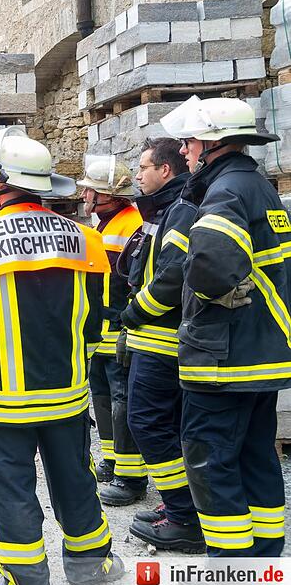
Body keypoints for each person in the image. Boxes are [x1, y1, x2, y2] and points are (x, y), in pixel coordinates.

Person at [0, 127, 124, 585]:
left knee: (10, 490)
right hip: (67, 398)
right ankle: (91, 567)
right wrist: (77, 374)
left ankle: (24, 579)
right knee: (76, 481)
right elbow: (96, 324)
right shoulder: (87, 241)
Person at [160, 96, 288, 557]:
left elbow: (212, 264)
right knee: (256, 458)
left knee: (210, 462)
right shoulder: (258, 186)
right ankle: (266, 561)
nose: (184, 152)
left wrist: (209, 294)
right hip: (260, 354)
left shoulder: (225, 191)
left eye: (189, 142)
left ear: (211, 143)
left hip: (223, 359)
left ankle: (231, 567)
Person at [113, 137, 203, 551]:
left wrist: (133, 314)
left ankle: (183, 515)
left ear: (165, 170)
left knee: (147, 423)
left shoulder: (180, 210)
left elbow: (172, 276)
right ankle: (180, 506)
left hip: (161, 341)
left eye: (143, 167)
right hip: (153, 339)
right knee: (160, 425)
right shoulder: (164, 209)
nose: (137, 175)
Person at [76, 156, 147, 507]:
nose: (84, 195)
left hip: (120, 330)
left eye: (90, 189)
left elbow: (134, 281)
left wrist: (126, 327)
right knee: (103, 397)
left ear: (108, 195)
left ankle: (131, 477)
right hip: (100, 332)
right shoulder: (104, 223)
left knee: (122, 401)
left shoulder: (133, 224)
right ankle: (113, 459)